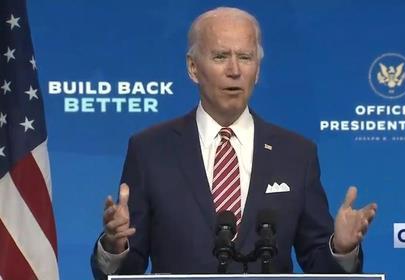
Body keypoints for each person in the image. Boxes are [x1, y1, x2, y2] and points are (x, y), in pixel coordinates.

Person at [90, 7, 377, 279]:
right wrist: (115, 246)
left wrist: (340, 248)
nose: (234, 70)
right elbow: (127, 270)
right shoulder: (150, 150)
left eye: (245, 57)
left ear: (258, 69)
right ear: (193, 67)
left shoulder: (297, 153)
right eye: (220, 57)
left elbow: (318, 262)